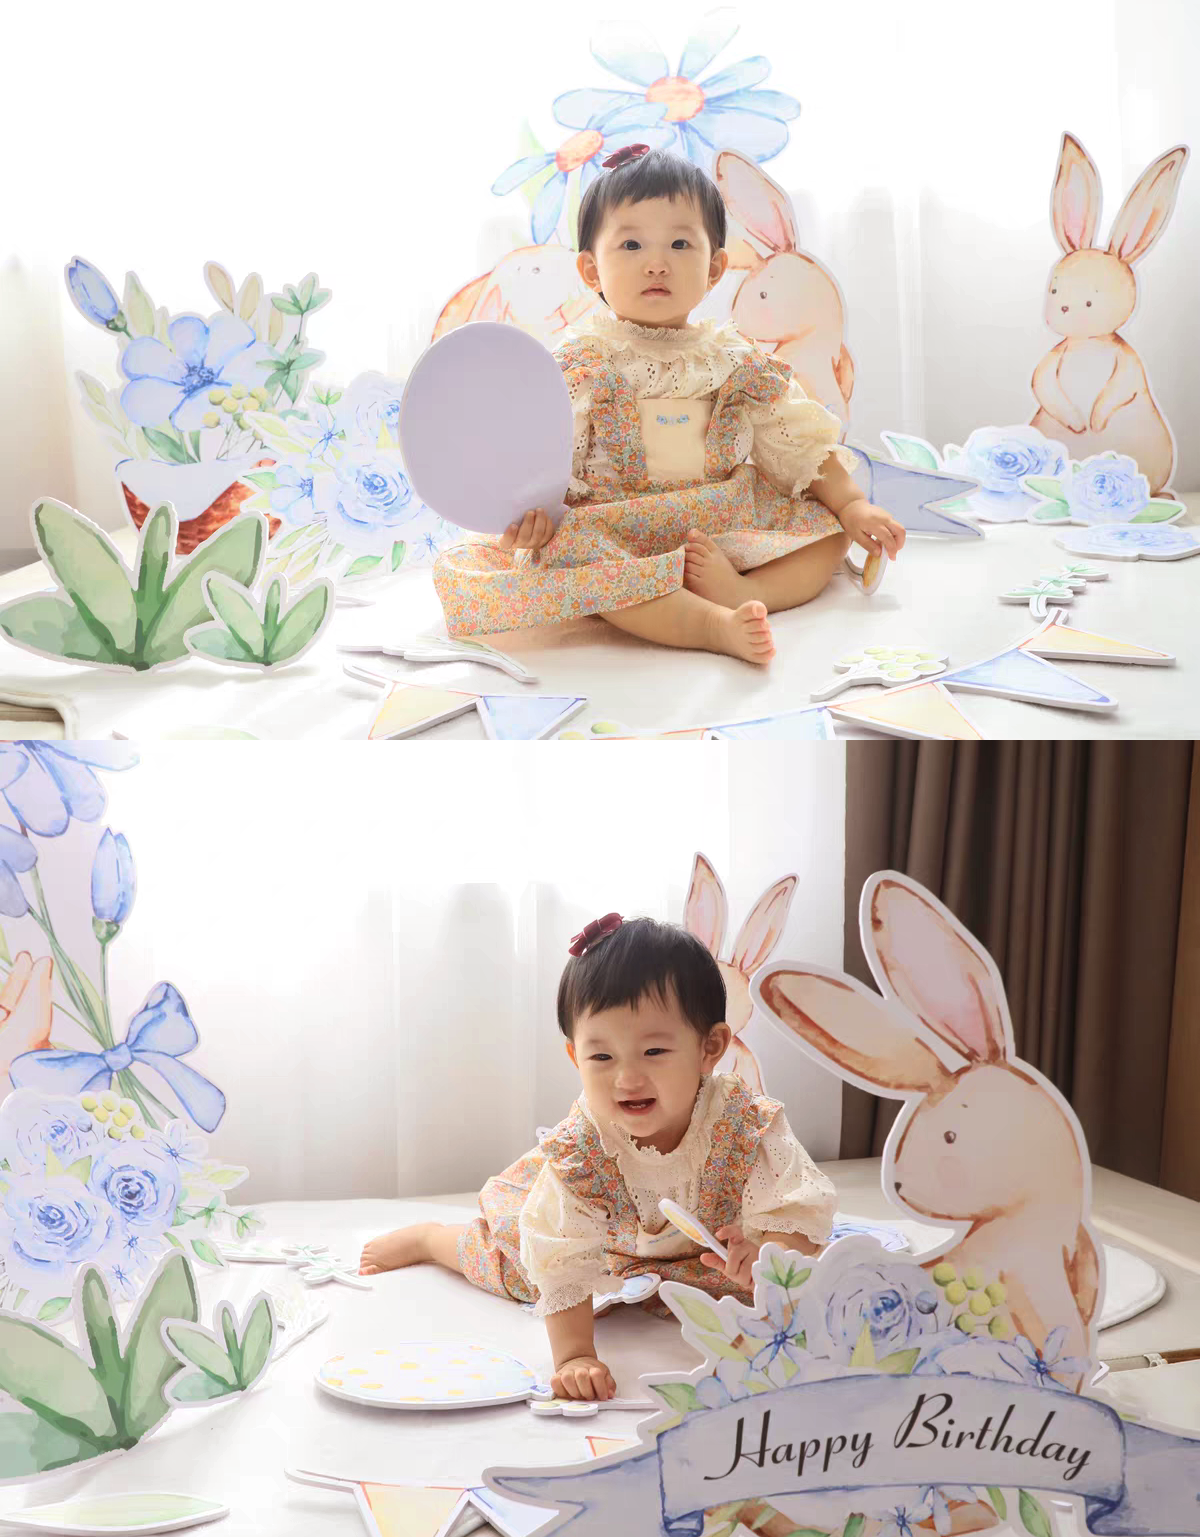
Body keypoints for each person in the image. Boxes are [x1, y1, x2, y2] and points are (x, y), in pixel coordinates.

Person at [433, 143, 904, 665]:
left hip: (717, 522)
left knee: (827, 531)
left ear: (715, 268)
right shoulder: (580, 362)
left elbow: (798, 442)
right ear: (591, 271)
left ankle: (750, 595)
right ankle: (709, 624)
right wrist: (531, 516)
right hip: (616, 527)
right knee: (567, 548)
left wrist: (852, 504)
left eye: (680, 244)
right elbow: (532, 454)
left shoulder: (734, 359)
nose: (657, 263)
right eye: (631, 246)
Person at [359, 912, 836, 1401]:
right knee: (520, 1272)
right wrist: (575, 1356)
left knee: (753, 1294)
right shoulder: (584, 1151)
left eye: (653, 1051)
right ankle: (432, 1239)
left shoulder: (742, 1122)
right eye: (602, 1057)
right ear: (575, 1058)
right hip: (600, 1242)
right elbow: (561, 1256)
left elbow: (792, 1203)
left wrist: (767, 1259)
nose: (626, 1078)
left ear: (710, 1047)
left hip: (701, 1252)